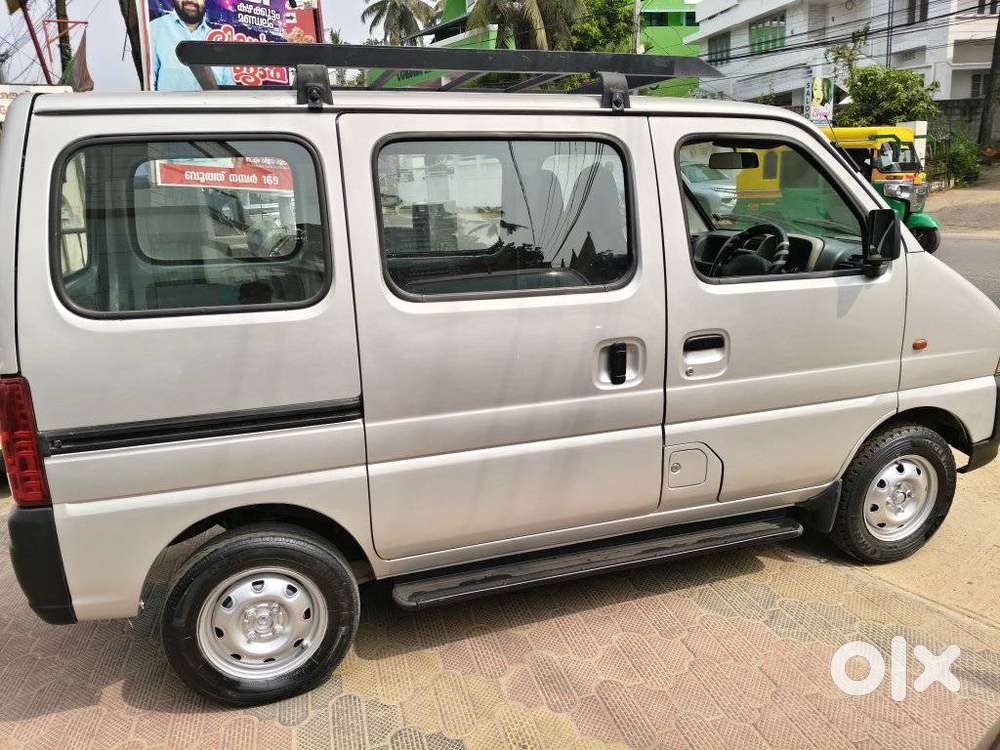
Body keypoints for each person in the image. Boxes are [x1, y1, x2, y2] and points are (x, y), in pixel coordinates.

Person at [149, 0, 236, 91]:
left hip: (211, 104)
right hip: (169, 105)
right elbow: (149, 85)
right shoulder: (155, 28)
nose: (191, 0)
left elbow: (229, 91)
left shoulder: (217, 38)